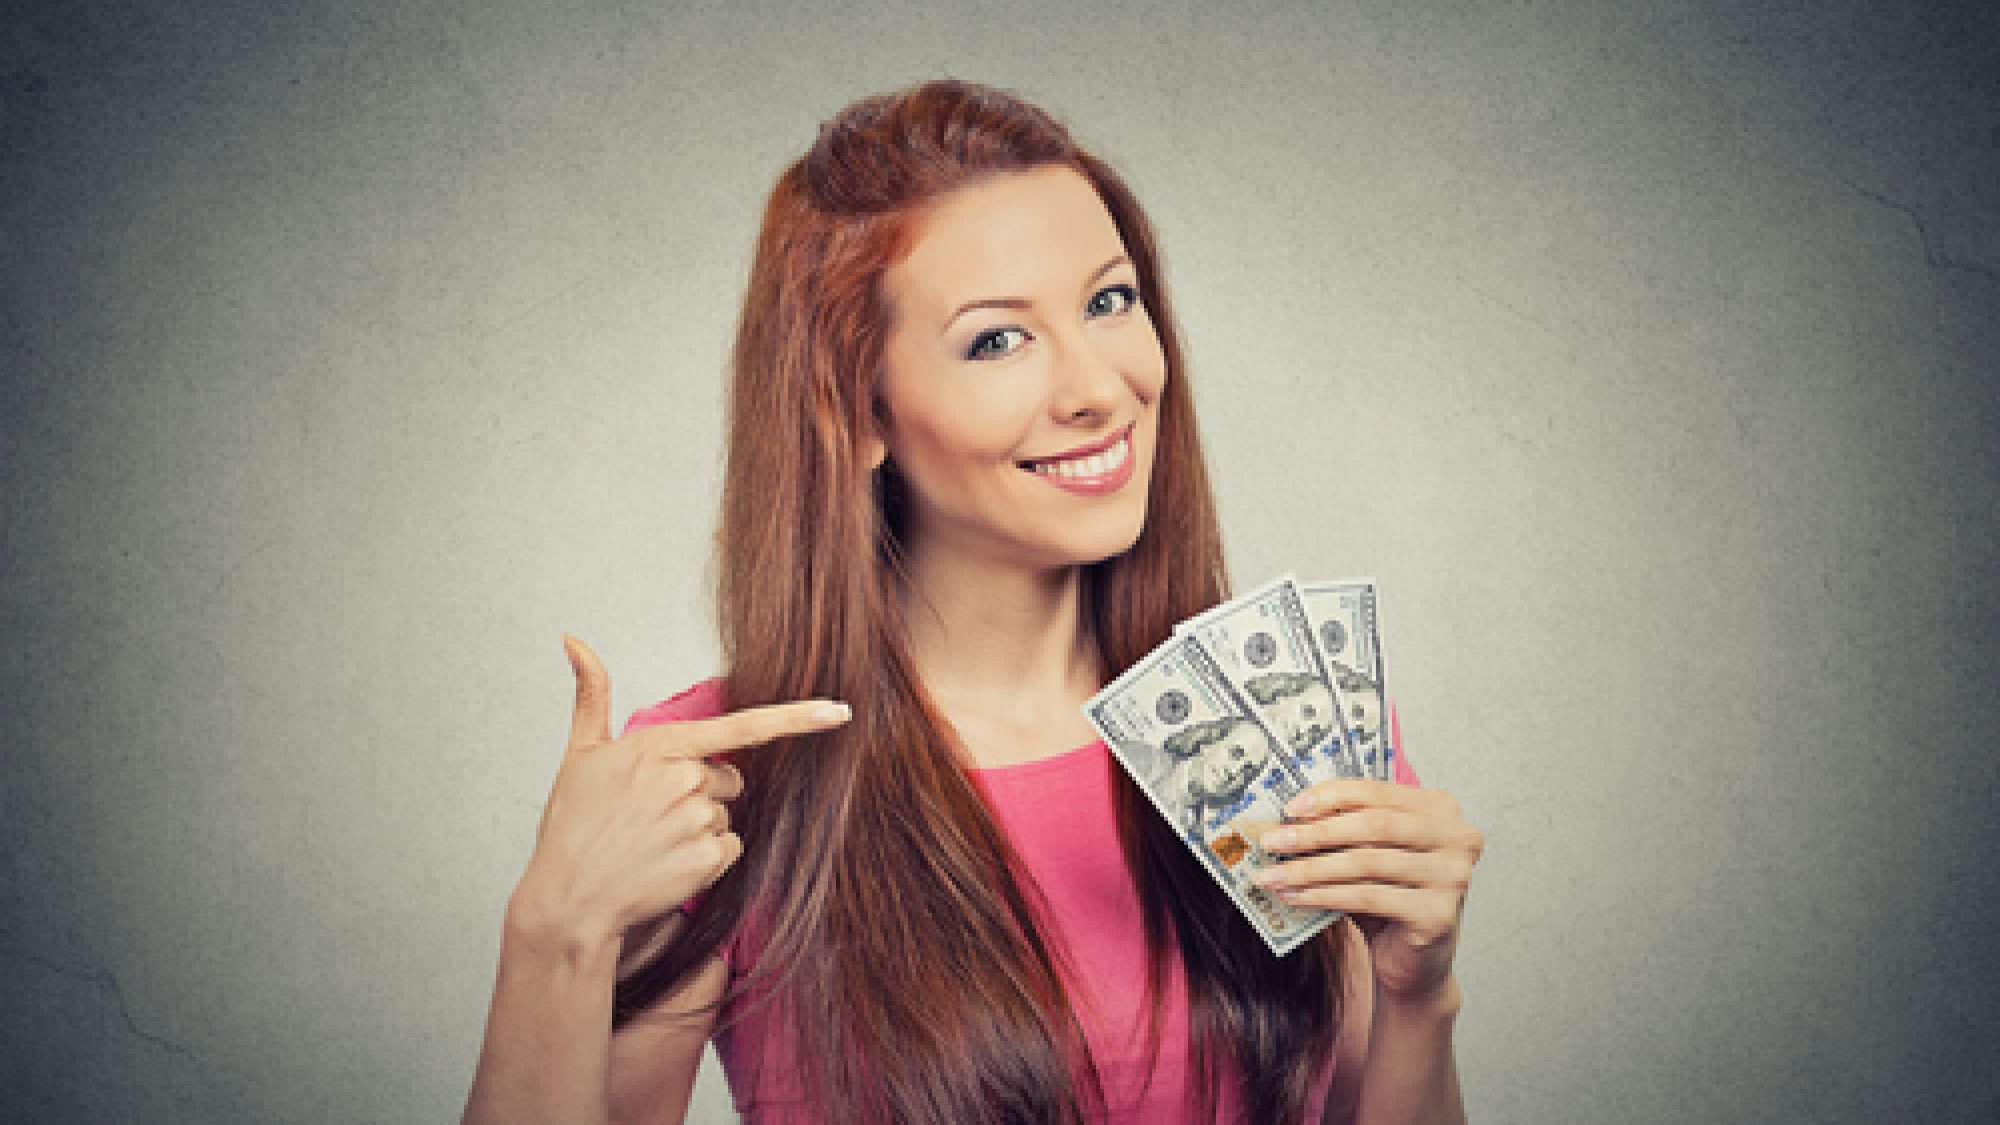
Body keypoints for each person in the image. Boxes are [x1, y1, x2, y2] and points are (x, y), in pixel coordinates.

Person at [462, 78, 1483, 1125]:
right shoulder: (718, 782)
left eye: (1108, 301)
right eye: (998, 339)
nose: (1096, 386)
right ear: (857, 413)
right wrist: (553, 938)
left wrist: (1420, 995)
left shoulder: (1290, 725)